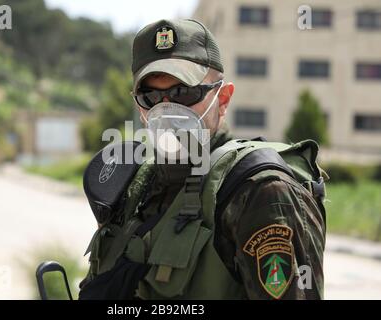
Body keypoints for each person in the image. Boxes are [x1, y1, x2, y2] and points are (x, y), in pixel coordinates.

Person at [79, 18, 327, 300]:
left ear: (222, 99)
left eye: (183, 93)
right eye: (150, 96)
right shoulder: (132, 183)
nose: (165, 108)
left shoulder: (260, 190)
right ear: (138, 104)